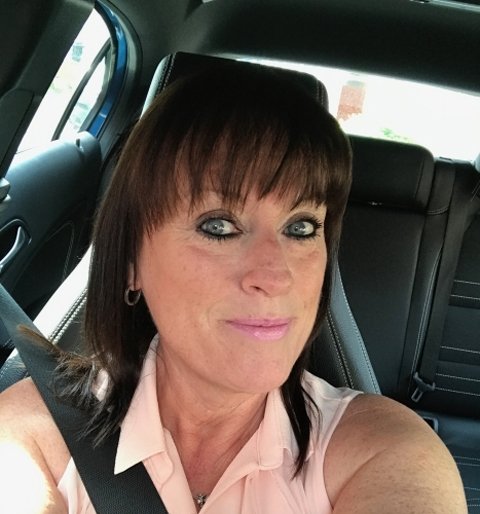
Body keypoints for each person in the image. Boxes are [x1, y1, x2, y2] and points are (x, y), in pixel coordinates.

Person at [0, 64, 467, 514]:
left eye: (301, 228)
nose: (276, 276)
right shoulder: (35, 432)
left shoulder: (381, 450)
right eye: (218, 226)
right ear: (130, 262)